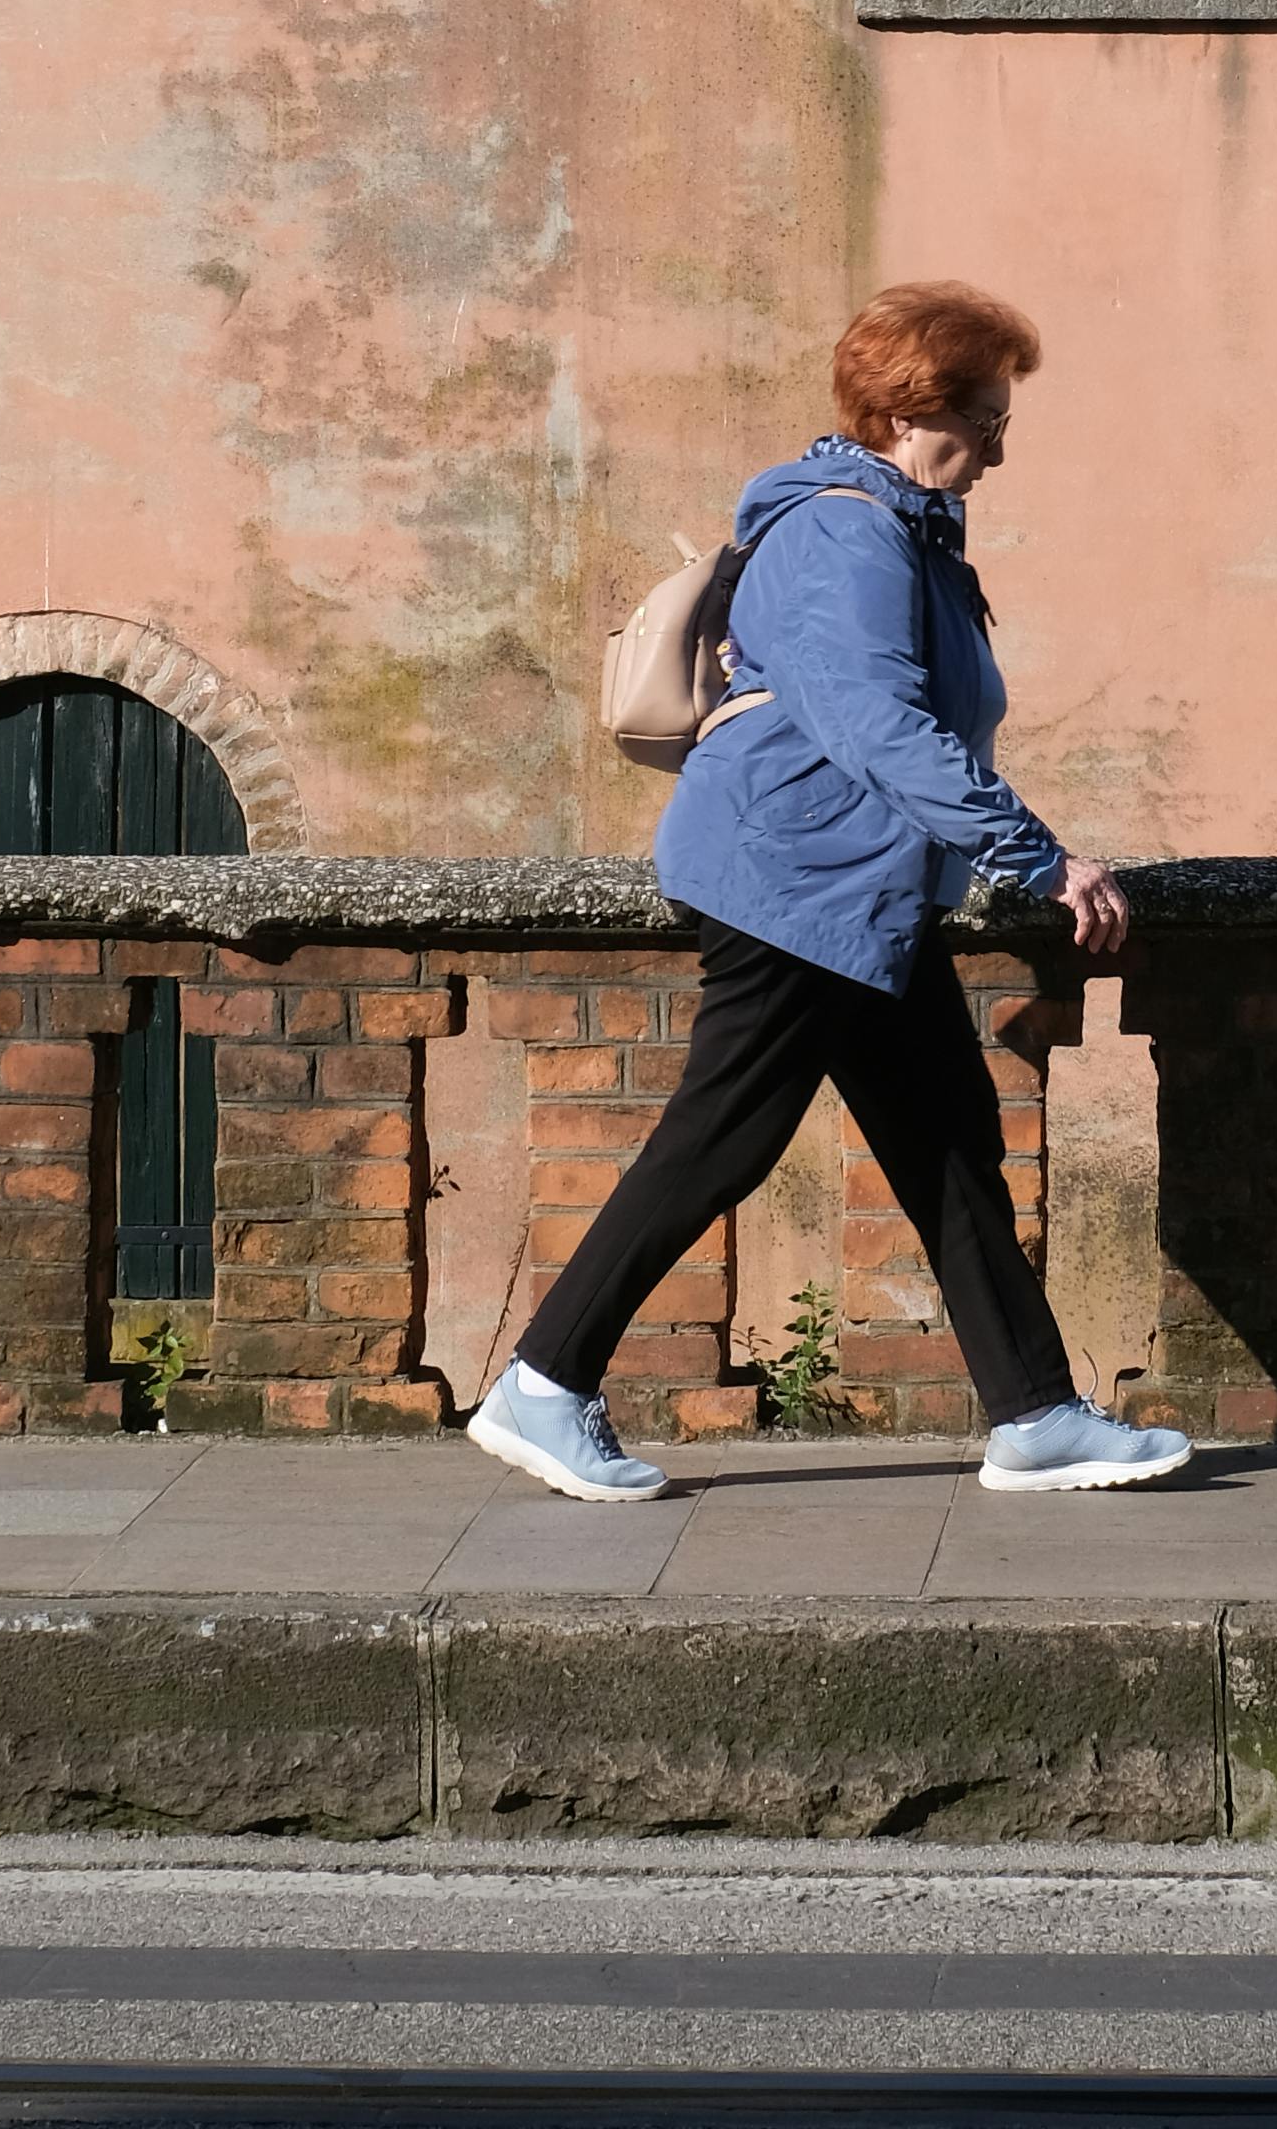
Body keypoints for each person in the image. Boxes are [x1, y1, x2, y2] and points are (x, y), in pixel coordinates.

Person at [467, 279, 1190, 1504]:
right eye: (987, 420)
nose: (1001, 448)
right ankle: (541, 1387)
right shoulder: (844, 531)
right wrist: (1039, 857)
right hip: (791, 877)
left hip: (862, 893)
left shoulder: (902, 529)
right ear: (913, 409)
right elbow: (877, 726)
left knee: (949, 1148)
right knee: (720, 1140)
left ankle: (1036, 1416)